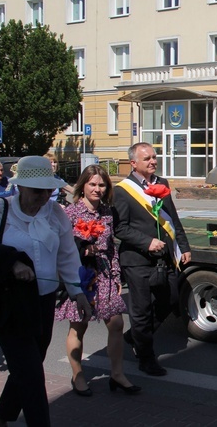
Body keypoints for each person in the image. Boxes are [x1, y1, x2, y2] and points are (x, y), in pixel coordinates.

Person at [0, 156, 92, 427]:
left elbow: (68, 255)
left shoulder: (55, 213)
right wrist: (11, 262)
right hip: (9, 304)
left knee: (30, 364)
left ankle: (1, 417)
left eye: (48, 190)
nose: (44, 196)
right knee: (33, 375)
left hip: (44, 302)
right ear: (21, 187)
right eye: (38, 191)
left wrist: (77, 292)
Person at [54, 165, 141, 397]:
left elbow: (111, 246)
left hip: (105, 275)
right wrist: (82, 251)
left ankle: (117, 374)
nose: (97, 189)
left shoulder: (107, 212)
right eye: (92, 184)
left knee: (116, 324)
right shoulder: (69, 213)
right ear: (82, 186)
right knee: (79, 326)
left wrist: (115, 275)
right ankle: (78, 374)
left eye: (101, 185)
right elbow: (62, 248)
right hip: (82, 277)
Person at [113, 142, 191, 376]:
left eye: (154, 157)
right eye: (146, 158)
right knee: (142, 309)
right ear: (134, 163)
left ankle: (135, 336)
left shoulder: (162, 184)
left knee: (171, 298)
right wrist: (145, 242)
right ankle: (146, 357)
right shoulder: (122, 190)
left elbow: (172, 218)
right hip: (137, 259)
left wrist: (183, 246)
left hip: (163, 257)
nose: (153, 161)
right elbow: (120, 228)